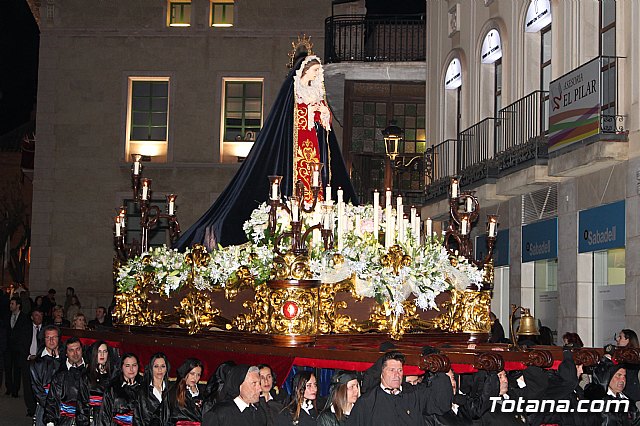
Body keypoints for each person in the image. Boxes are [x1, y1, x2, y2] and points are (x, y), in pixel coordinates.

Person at [173, 51, 357, 249]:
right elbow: (288, 118)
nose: (316, 74)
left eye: (317, 72)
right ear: (305, 70)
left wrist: (323, 114)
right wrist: (308, 111)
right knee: (299, 179)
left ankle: (312, 207)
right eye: (314, 70)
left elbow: (326, 123)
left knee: (315, 178)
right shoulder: (294, 92)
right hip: (295, 147)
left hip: (313, 146)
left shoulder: (317, 93)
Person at [346, 351, 452, 426]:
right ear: (381, 373)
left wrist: (440, 373)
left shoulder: (414, 394)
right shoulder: (367, 402)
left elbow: (441, 405)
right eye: (392, 370)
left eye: (400, 370)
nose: (397, 375)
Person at [202, 364, 267, 426]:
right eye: (254, 384)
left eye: (259, 383)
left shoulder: (259, 413)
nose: (260, 389)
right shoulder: (218, 414)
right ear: (238, 385)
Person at [43, 337, 88, 425]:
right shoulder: (59, 373)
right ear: (66, 353)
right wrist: (50, 422)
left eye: (78, 349)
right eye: (71, 350)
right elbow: (52, 401)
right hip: (64, 420)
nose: (75, 353)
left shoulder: (91, 371)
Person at [78, 340, 118, 423]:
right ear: (94, 354)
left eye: (105, 351)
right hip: (93, 418)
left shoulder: (115, 375)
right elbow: (82, 404)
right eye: (99, 351)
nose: (102, 355)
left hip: (110, 419)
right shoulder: (86, 376)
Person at [96, 352, 142, 426]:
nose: (131, 369)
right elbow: (104, 417)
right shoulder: (112, 388)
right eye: (127, 366)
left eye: (134, 365)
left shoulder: (144, 388)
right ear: (121, 367)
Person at [30, 325, 63, 426]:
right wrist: (51, 407)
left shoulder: (65, 359)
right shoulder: (36, 363)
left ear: (59, 339)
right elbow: (37, 391)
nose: (51, 340)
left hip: (65, 406)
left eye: (54, 337)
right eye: (48, 337)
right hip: (45, 406)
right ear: (44, 339)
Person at [166, 358, 205, 425]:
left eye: (198, 375)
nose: (195, 378)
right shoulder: (174, 392)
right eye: (192, 373)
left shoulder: (203, 392)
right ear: (185, 372)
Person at [5, 296, 31, 398]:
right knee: (7, 368)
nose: (10, 306)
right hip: (8, 347)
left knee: (17, 369)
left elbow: (25, 334)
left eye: (12, 304)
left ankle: (15, 389)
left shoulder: (24, 318)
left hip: (18, 348)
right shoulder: (7, 316)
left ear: (18, 305)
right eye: (10, 304)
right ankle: (9, 387)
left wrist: (23, 347)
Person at [139, 352, 171, 426]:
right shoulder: (142, 390)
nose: (160, 370)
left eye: (163, 366)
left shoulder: (172, 389)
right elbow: (139, 417)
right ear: (151, 368)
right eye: (156, 366)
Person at [24, 308, 45, 417]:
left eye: (40, 315)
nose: (39, 317)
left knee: (40, 384)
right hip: (28, 360)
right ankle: (31, 408)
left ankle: (40, 406)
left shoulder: (45, 329)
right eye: (36, 315)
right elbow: (21, 344)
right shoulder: (26, 329)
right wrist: (29, 355)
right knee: (28, 385)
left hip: (41, 361)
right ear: (32, 317)